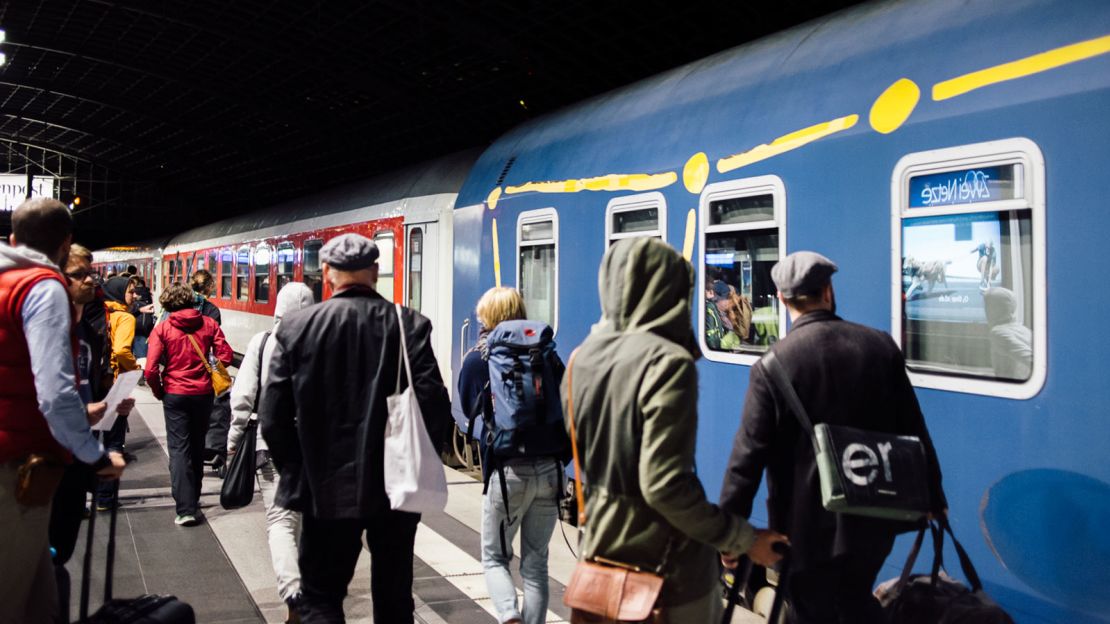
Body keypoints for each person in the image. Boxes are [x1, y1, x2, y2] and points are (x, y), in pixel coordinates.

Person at [563, 237, 786, 622]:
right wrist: (743, 538)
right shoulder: (667, 363)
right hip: (668, 579)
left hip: (600, 560)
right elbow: (664, 485)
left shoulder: (582, 358)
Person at [719, 251, 946, 624]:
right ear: (828, 290)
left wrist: (731, 534)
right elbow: (914, 427)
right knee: (856, 599)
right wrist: (934, 496)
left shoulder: (773, 365)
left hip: (804, 529)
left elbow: (747, 459)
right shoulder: (879, 346)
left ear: (781, 298)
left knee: (812, 610)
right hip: (875, 513)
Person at [260, 233, 450, 623]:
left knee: (321, 598)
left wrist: (298, 471)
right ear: (375, 272)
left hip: (324, 487)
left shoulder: (296, 328)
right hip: (395, 488)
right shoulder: (408, 325)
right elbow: (434, 405)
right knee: (395, 596)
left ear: (326, 273)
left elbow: (273, 416)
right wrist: (425, 459)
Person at [0, 198, 126, 624]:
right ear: (65, 242)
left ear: (14, 238)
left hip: (15, 461)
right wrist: (93, 456)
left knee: (41, 600)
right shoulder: (40, 288)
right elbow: (55, 393)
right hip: (17, 467)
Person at [458, 286, 559, 624]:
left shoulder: (478, 358)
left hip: (507, 472)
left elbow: (467, 411)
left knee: (494, 558)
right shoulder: (546, 354)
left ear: (486, 317)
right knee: (535, 563)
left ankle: (508, 616)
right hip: (550, 470)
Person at [49, 244, 135, 621]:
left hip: (75, 458)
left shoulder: (88, 330)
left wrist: (111, 403)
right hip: (46, 457)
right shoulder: (49, 329)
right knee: (46, 564)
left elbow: (88, 387)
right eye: (79, 274)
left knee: (62, 554)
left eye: (91, 273)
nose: (90, 280)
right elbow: (45, 397)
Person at [228, 282, 315, 624]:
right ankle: (307, 587)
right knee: (308, 521)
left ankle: (293, 593)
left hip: (271, 444)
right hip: (314, 448)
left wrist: (234, 439)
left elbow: (244, 396)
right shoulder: (323, 346)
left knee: (281, 522)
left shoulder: (262, 343)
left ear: (276, 310)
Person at [144, 283, 233, 527]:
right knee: (196, 447)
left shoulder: (162, 328)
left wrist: (159, 390)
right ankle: (193, 499)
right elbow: (225, 354)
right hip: (203, 394)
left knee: (179, 450)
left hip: (174, 394)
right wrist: (209, 370)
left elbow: (151, 369)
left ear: (167, 304)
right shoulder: (209, 324)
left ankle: (185, 509)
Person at [95, 276, 141, 510]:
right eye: (131, 292)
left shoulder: (101, 312)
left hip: (95, 384)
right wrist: (135, 368)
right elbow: (122, 350)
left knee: (91, 441)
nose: (135, 296)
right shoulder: (125, 317)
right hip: (114, 384)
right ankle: (105, 498)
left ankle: (81, 499)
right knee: (113, 442)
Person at [982, 287, 1032, 381]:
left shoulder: (998, 333)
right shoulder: (1024, 330)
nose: (986, 311)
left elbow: (1031, 359)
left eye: (989, 306)